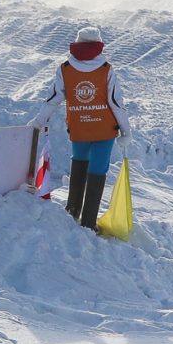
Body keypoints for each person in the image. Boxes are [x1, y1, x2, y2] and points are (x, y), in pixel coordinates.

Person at [29, 25, 131, 230]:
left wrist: (39, 121)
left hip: (79, 128)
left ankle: (72, 210)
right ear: (99, 45)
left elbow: (53, 99)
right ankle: (88, 222)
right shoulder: (106, 69)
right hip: (104, 130)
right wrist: (126, 130)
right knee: (97, 170)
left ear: (77, 42)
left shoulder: (65, 69)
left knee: (79, 163)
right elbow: (115, 102)